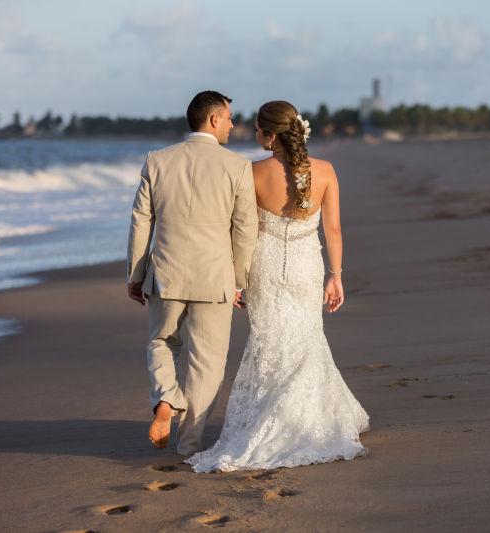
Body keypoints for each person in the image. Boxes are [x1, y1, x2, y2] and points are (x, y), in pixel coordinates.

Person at [185, 100, 370, 472]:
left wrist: (236, 279)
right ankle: (306, 419)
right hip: (306, 266)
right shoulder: (326, 171)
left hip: (264, 267)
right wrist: (335, 275)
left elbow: (240, 231)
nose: (254, 135)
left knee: (268, 341)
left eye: (257, 129)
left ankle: (272, 420)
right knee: (305, 338)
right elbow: (332, 230)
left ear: (270, 134)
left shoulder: (250, 173)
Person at [126, 90, 258, 454]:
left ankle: (167, 401)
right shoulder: (237, 166)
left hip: (166, 274)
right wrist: (238, 282)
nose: (232, 124)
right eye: (229, 117)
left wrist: (135, 275)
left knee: (161, 342)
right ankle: (189, 445)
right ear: (213, 119)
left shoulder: (158, 160)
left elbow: (141, 223)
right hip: (215, 279)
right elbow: (245, 231)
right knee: (208, 363)